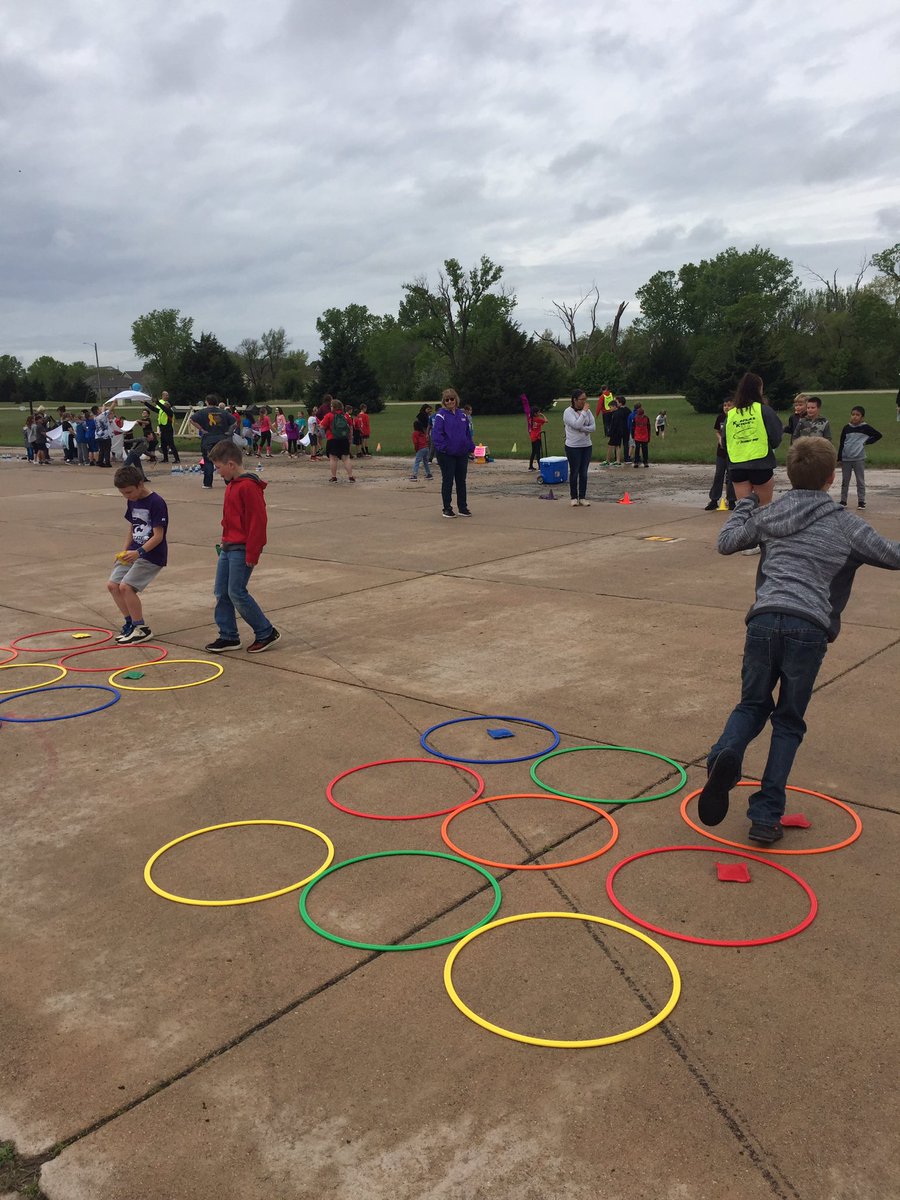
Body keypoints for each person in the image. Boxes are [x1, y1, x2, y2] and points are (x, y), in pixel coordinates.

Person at [697, 437, 900, 844]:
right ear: (831, 477)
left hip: (763, 620)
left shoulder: (773, 513)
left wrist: (747, 504)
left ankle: (724, 755)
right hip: (808, 628)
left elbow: (726, 543)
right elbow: (893, 554)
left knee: (752, 704)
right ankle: (766, 816)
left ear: (789, 474)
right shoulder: (846, 525)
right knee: (788, 721)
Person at [204, 440, 280, 654]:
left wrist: (253, 553)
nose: (217, 472)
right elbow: (230, 518)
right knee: (221, 592)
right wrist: (224, 541)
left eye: (218, 467)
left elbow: (258, 522)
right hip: (229, 546)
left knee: (236, 592)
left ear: (231, 464)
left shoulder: (248, 486)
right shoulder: (232, 485)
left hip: (242, 548)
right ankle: (228, 636)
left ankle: (266, 632)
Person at [106, 464, 168, 644]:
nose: (127, 496)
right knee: (113, 585)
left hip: (151, 554)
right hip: (133, 551)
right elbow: (132, 527)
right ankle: (130, 623)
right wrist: (125, 550)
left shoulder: (156, 502)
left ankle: (141, 628)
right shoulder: (132, 500)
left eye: (129, 492)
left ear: (140, 484)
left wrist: (138, 552)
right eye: (123, 493)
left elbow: (158, 536)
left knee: (126, 587)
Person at [723, 372, 783, 508]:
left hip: (737, 465)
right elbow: (776, 436)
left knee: (744, 509)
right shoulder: (764, 410)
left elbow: (725, 441)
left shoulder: (731, 414)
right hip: (760, 464)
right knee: (763, 507)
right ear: (758, 389)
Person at [432, 388, 475, 517]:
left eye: (452, 399)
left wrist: (471, 448)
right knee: (448, 480)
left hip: (461, 452)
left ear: (456, 399)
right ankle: (447, 508)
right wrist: (444, 448)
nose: (450, 401)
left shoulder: (462, 415)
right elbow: (437, 434)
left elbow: (467, 434)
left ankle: (463, 507)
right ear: (444, 402)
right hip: (447, 454)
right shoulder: (441, 415)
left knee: (461, 480)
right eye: (447, 400)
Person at [837, 406, 882, 510]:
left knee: (860, 481)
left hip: (859, 458)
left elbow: (878, 435)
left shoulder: (865, 427)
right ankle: (843, 501)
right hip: (846, 458)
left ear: (862, 417)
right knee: (845, 481)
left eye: (857, 415)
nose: (855, 417)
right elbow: (842, 443)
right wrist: (839, 457)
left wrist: (867, 442)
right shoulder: (846, 428)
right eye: (853, 414)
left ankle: (861, 501)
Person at [190, 394, 236, 488]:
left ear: (207, 402)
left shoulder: (202, 412)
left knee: (208, 460)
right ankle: (229, 481)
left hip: (208, 438)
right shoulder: (223, 412)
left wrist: (201, 429)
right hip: (222, 438)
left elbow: (191, 420)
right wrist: (228, 431)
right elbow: (234, 422)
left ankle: (208, 483)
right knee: (224, 459)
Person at [563, 389, 595, 506]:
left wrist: (583, 428)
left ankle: (582, 497)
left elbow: (593, 427)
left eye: (585, 399)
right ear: (575, 400)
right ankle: (573, 497)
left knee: (584, 472)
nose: (584, 402)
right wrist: (584, 413)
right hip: (573, 446)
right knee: (574, 471)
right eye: (582, 399)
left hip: (586, 445)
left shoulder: (588, 412)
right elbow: (576, 424)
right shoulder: (568, 412)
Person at [705, 399, 737, 510]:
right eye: (725, 405)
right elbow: (717, 431)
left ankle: (731, 500)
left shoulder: (736, 417)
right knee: (719, 474)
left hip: (733, 452)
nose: (726, 407)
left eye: (729, 405)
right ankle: (714, 499)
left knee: (731, 475)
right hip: (721, 452)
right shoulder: (720, 418)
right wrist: (720, 439)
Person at [318, 398, 356, 482]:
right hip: (344, 439)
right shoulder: (346, 416)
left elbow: (322, 426)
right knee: (346, 458)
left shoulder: (329, 415)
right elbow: (350, 428)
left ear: (334, 407)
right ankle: (350, 476)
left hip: (332, 439)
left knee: (333, 458)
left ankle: (334, 477)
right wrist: (350, 438)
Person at [154, 391, 180, 464]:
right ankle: (165, 459)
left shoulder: (169, 411)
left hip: (168, 429)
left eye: (166, 404)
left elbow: (163, 407)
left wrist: (157, 402)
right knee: (163, 445)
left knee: (171, 444)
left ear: (169, 406)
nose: (164, 404)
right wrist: (145, 403)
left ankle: (177, 459)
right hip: (163, 429)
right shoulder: (162, 411)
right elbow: (154, 409)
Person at [411, 405, 434, 481]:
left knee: (417, 462)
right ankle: (429, 474)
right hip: (426, 448)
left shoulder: (415, 433)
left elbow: (415, 442)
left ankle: (414, 475)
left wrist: (416, 449)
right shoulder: (423, 433)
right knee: (425, 462)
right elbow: (427, 440)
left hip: (420, 449)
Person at [604, 398, 628, 466]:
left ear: (614, 406)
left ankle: (607, 460)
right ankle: (618, 461)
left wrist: (610, 433)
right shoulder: (619, 413)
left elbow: (614, 425)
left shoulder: (615, 414)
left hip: (615, 433)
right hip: (620, 432)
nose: (610, 409)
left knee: (610, 446)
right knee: (617, 446)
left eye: (610, 407)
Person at [94, 404, 112, 468]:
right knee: (107, 450)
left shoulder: (95, 417)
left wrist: (104, 406)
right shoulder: (102, 415)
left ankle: (100, 462)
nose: (100, 409)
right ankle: (107, 463)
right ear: (97, 410)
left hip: (98, 436)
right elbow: (110, 409)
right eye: (99, 409)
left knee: (101, 450)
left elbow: (103, 411)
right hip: (105, 436)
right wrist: (114, 402)